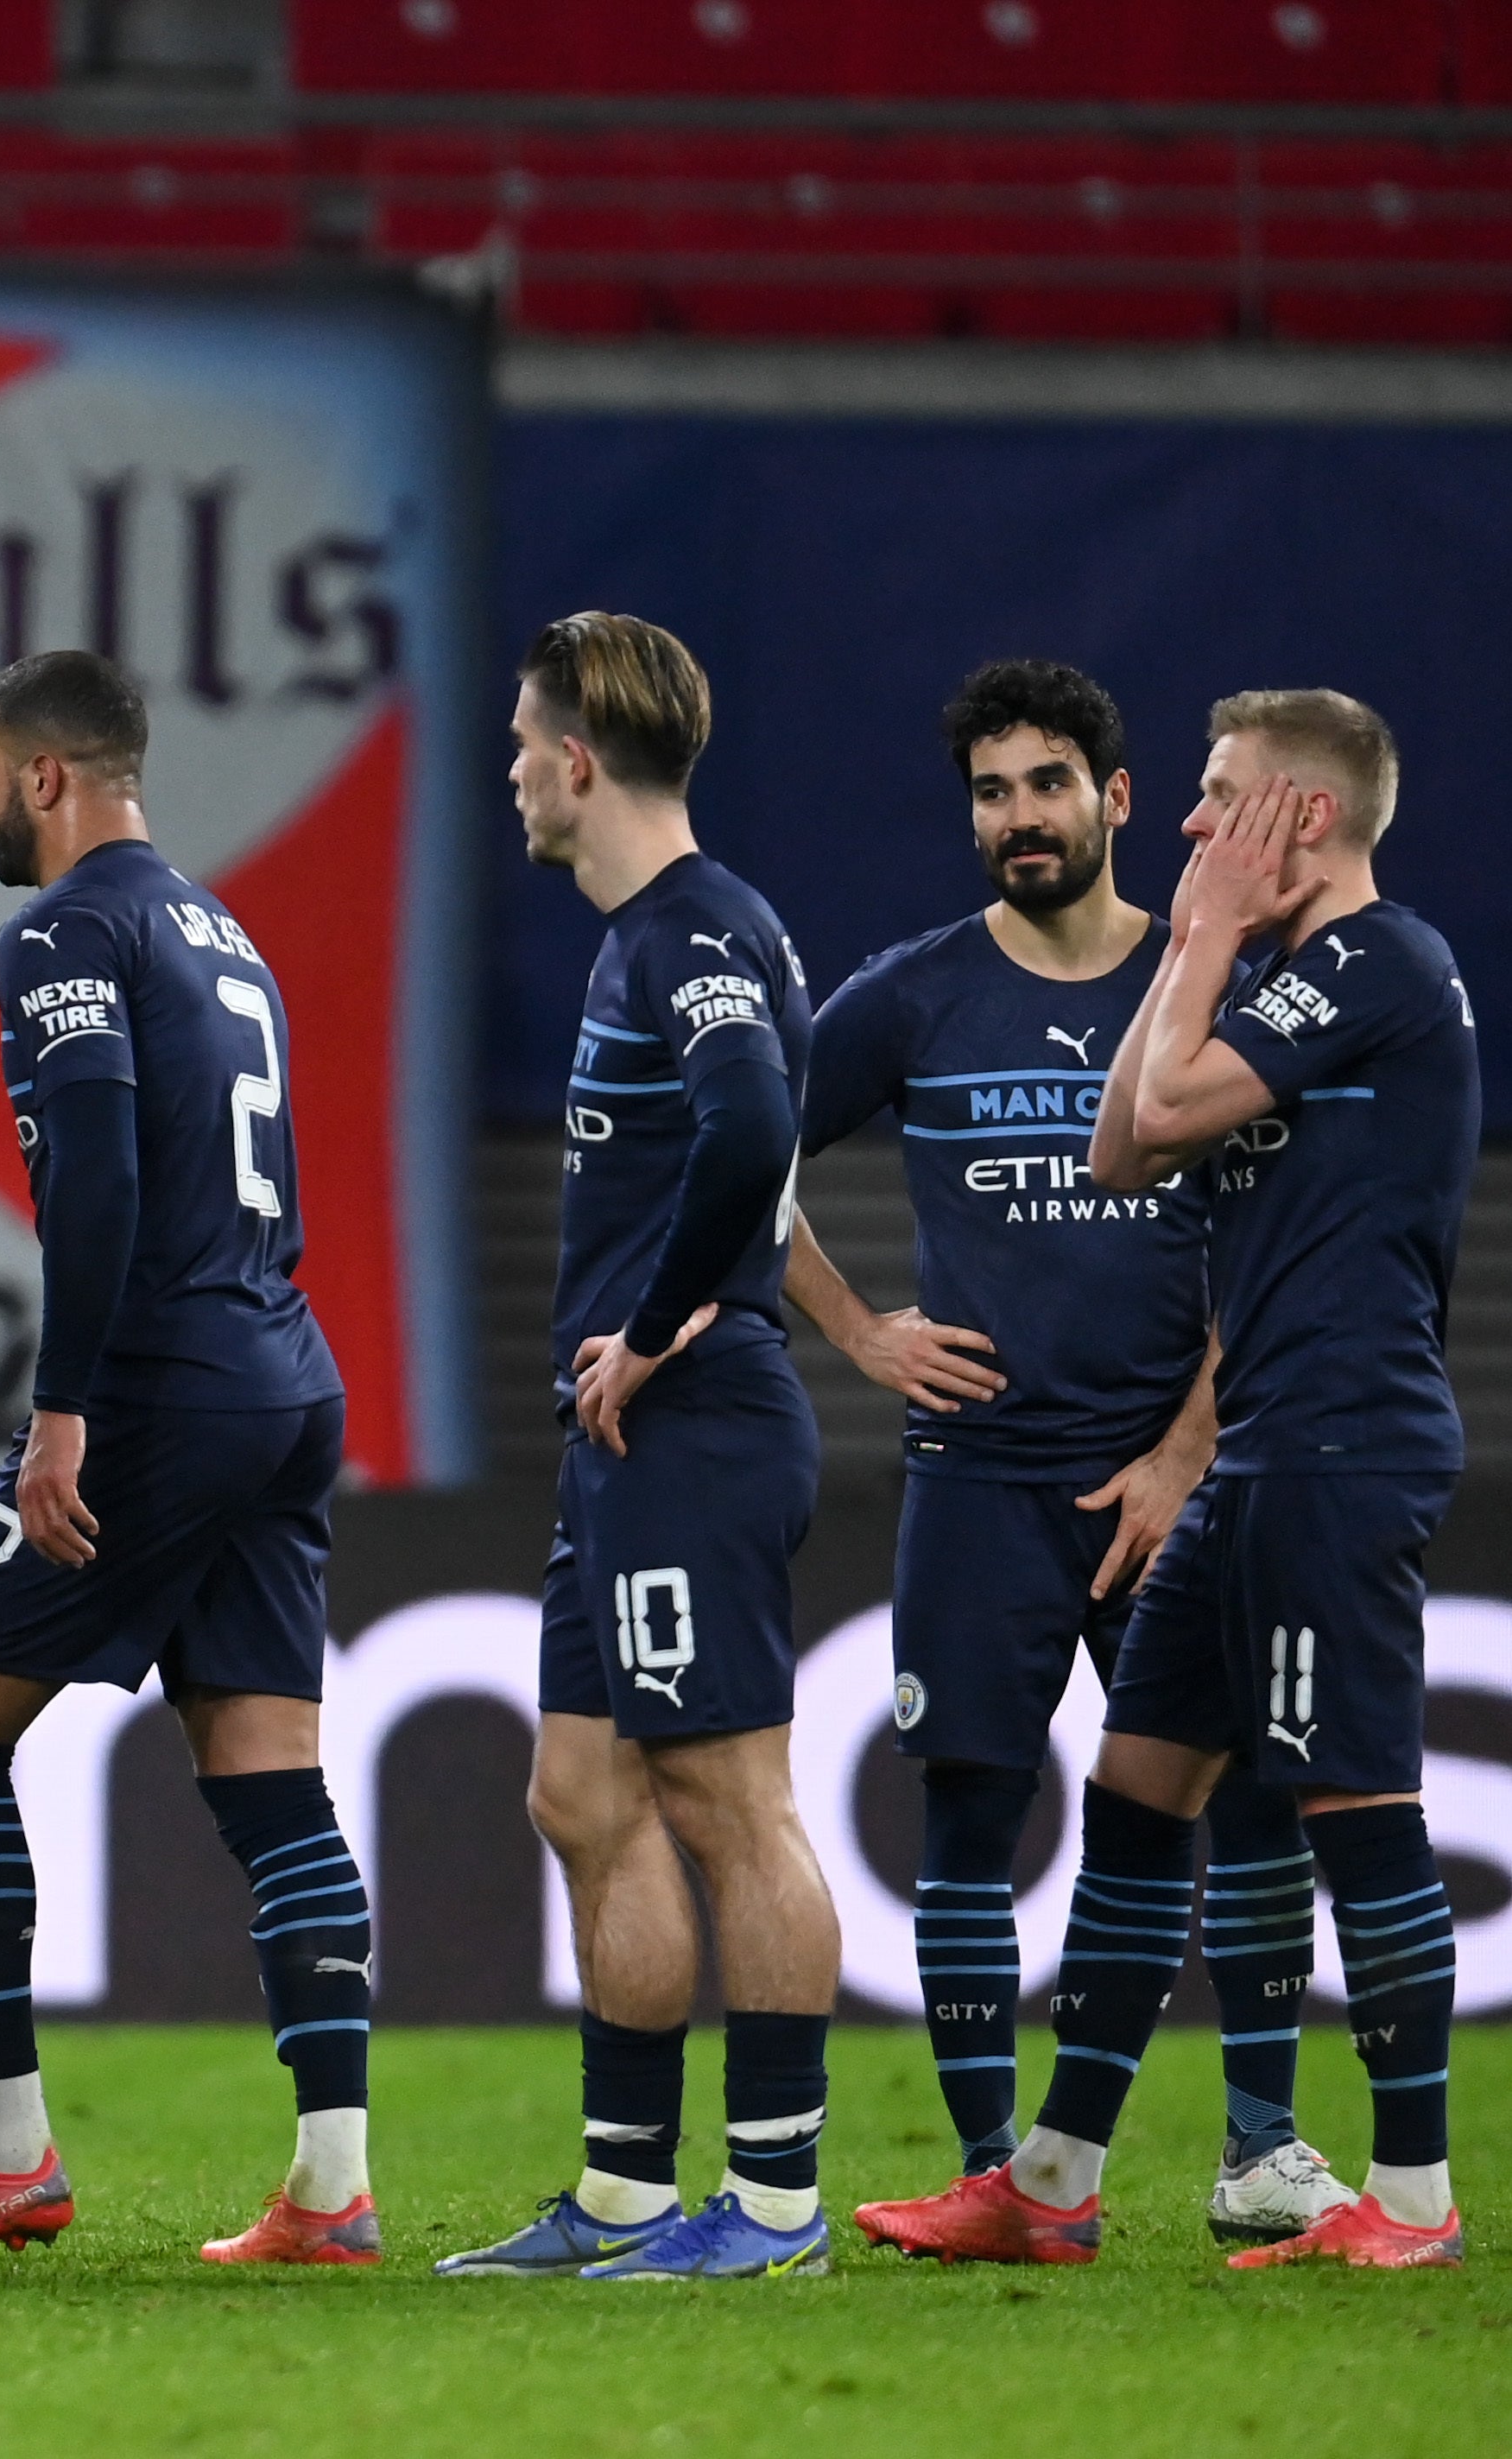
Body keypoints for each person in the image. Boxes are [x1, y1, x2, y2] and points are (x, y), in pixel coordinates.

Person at [891, 689, 1474, 2271]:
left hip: (1338, 1446)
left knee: (1354, 1806)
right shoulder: (1277, 976)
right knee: (1138, 1789)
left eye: (1223, 801)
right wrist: (1207, 944)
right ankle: (1053, 2182)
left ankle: (1411, 2202)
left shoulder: (1376, 964)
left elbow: (1154, 1111)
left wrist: (1198, 933)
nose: (1197, 829)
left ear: (1306, 816)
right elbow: (1113, 1153)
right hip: (1260, 1455)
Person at [787, 662, 1355, 2257]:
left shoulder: (1207, 996)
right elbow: (733, 1158)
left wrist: (1189, 1445)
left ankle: (1262, 2147)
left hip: (1170, 1481)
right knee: (967, 1813)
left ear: (1115, 802)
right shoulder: (907, 997)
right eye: (988, 791)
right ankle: (993, 2168)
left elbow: (1284, 1239)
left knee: (1237, 1802)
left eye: (1046, 785)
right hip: (975, 1481)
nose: (1016, 817)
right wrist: (859, 1331)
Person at [0, 651, 372, 2269]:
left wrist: (64, 1406)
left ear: (51, 777)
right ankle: (330, 2191)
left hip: (159, 1385)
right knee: (271, 1778)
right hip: (285, 1367)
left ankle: (5, 2153)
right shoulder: (221, 930)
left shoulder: (64, 930)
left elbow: (99, 1177)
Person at [439, 612, 838, 2284]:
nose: (512, 770)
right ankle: (621, 2198)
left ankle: (776, 2207)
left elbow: (754, 1128)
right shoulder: (648, 938)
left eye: (525, 742)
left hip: (689, 1425)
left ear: (578, 761)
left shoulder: (691, 932)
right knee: (581, 1789)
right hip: (624, 1444)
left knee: (728, 1799)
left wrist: (667, 1320)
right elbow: (746, 1149)